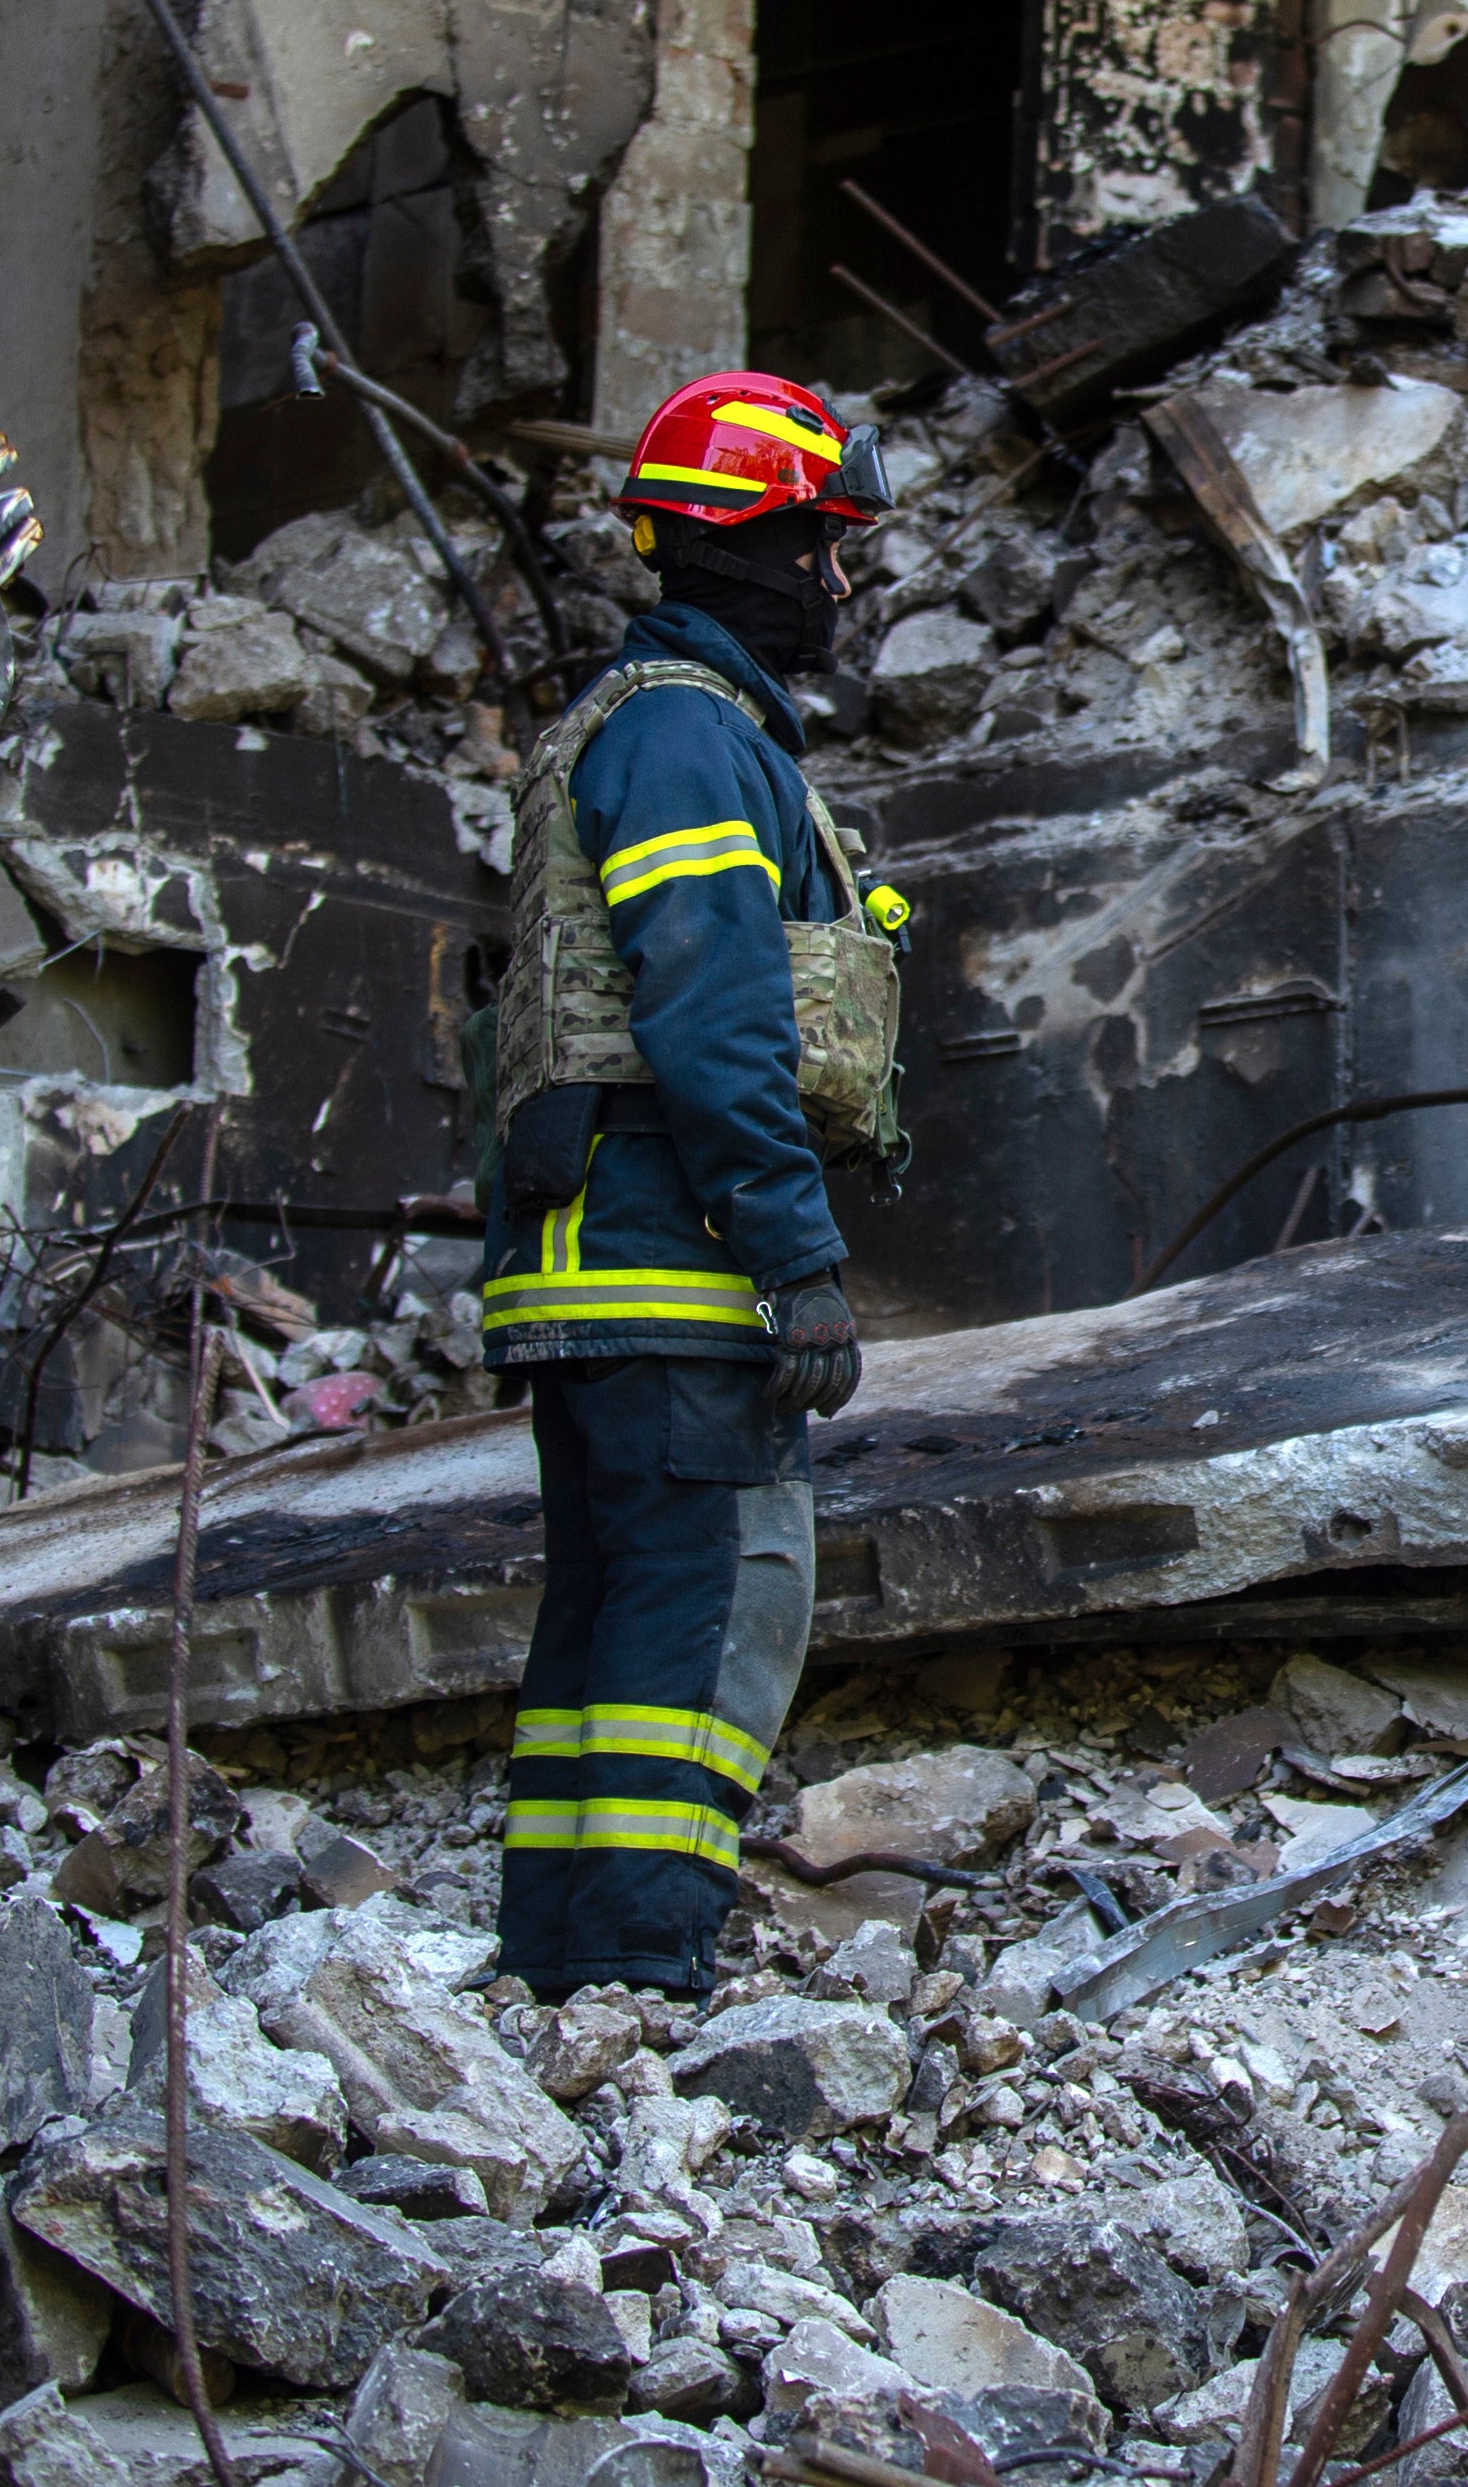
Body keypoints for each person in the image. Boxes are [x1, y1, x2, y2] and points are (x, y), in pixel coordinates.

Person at [476, 371, 910, 2000]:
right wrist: (797, 1253)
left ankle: (558, 1970)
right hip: (671, 1260)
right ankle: (647, 1974)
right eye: (821, 545)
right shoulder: (685, 732)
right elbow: (711, 1006)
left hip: (590, 1260)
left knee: (604, 1629)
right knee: (714, 1605)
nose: (841, 582)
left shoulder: (627, 722)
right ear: (743, 546)